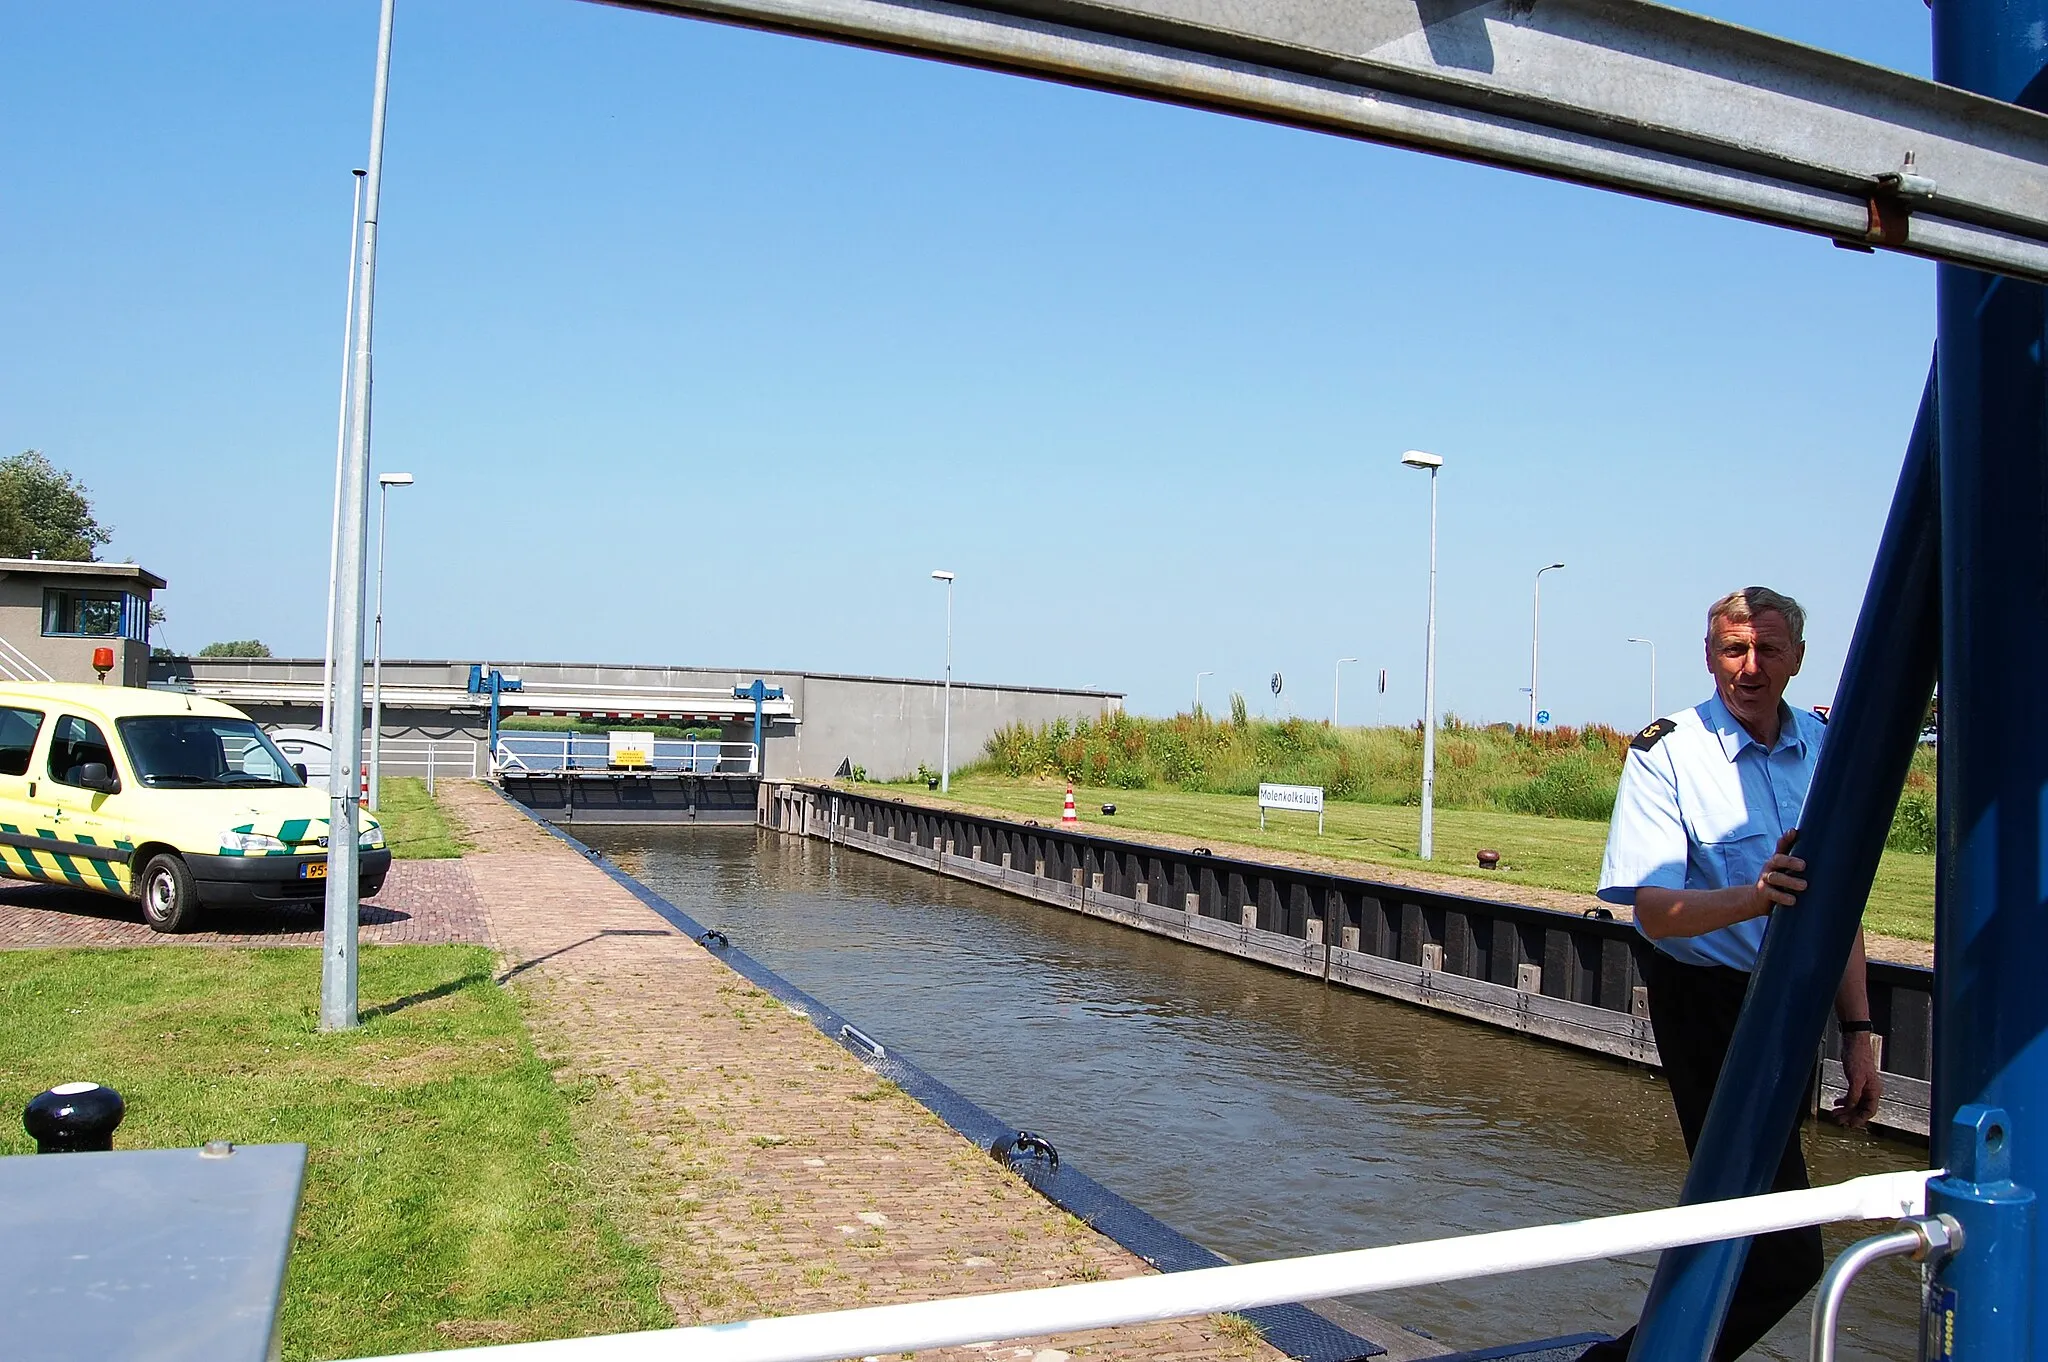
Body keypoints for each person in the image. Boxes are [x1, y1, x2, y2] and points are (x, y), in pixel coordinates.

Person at [1581, 587, 1883, 1361]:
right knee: (1782, 1256)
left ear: (1799, 660)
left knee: (1738, 1233)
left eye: (1767, 650)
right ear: (1709, 655)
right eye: (1732, 650)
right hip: (1708, 1010)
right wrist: (1756, 897)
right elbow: (1650, 909)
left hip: (1794, 1003)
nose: (1749, 669)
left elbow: (1837, 908)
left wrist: (1858, 1028)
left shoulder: (1825, 749)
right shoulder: (1668, 751)